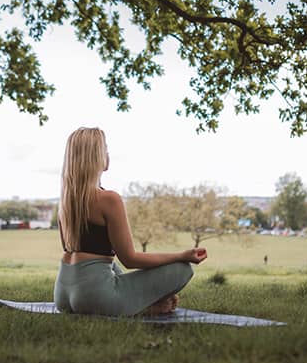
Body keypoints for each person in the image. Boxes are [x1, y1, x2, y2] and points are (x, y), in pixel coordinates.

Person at [54, 127, 207, 316]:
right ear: (96, 156)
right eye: (105, 149)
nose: (108, 154)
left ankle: (138, 302)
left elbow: (79, 252)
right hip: (95, 297)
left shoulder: (65, 203)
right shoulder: (109, 199)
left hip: (62, 294)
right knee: (182, 269)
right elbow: (130, 259)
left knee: (110, 265)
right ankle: (147, 308)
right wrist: (182, 255)